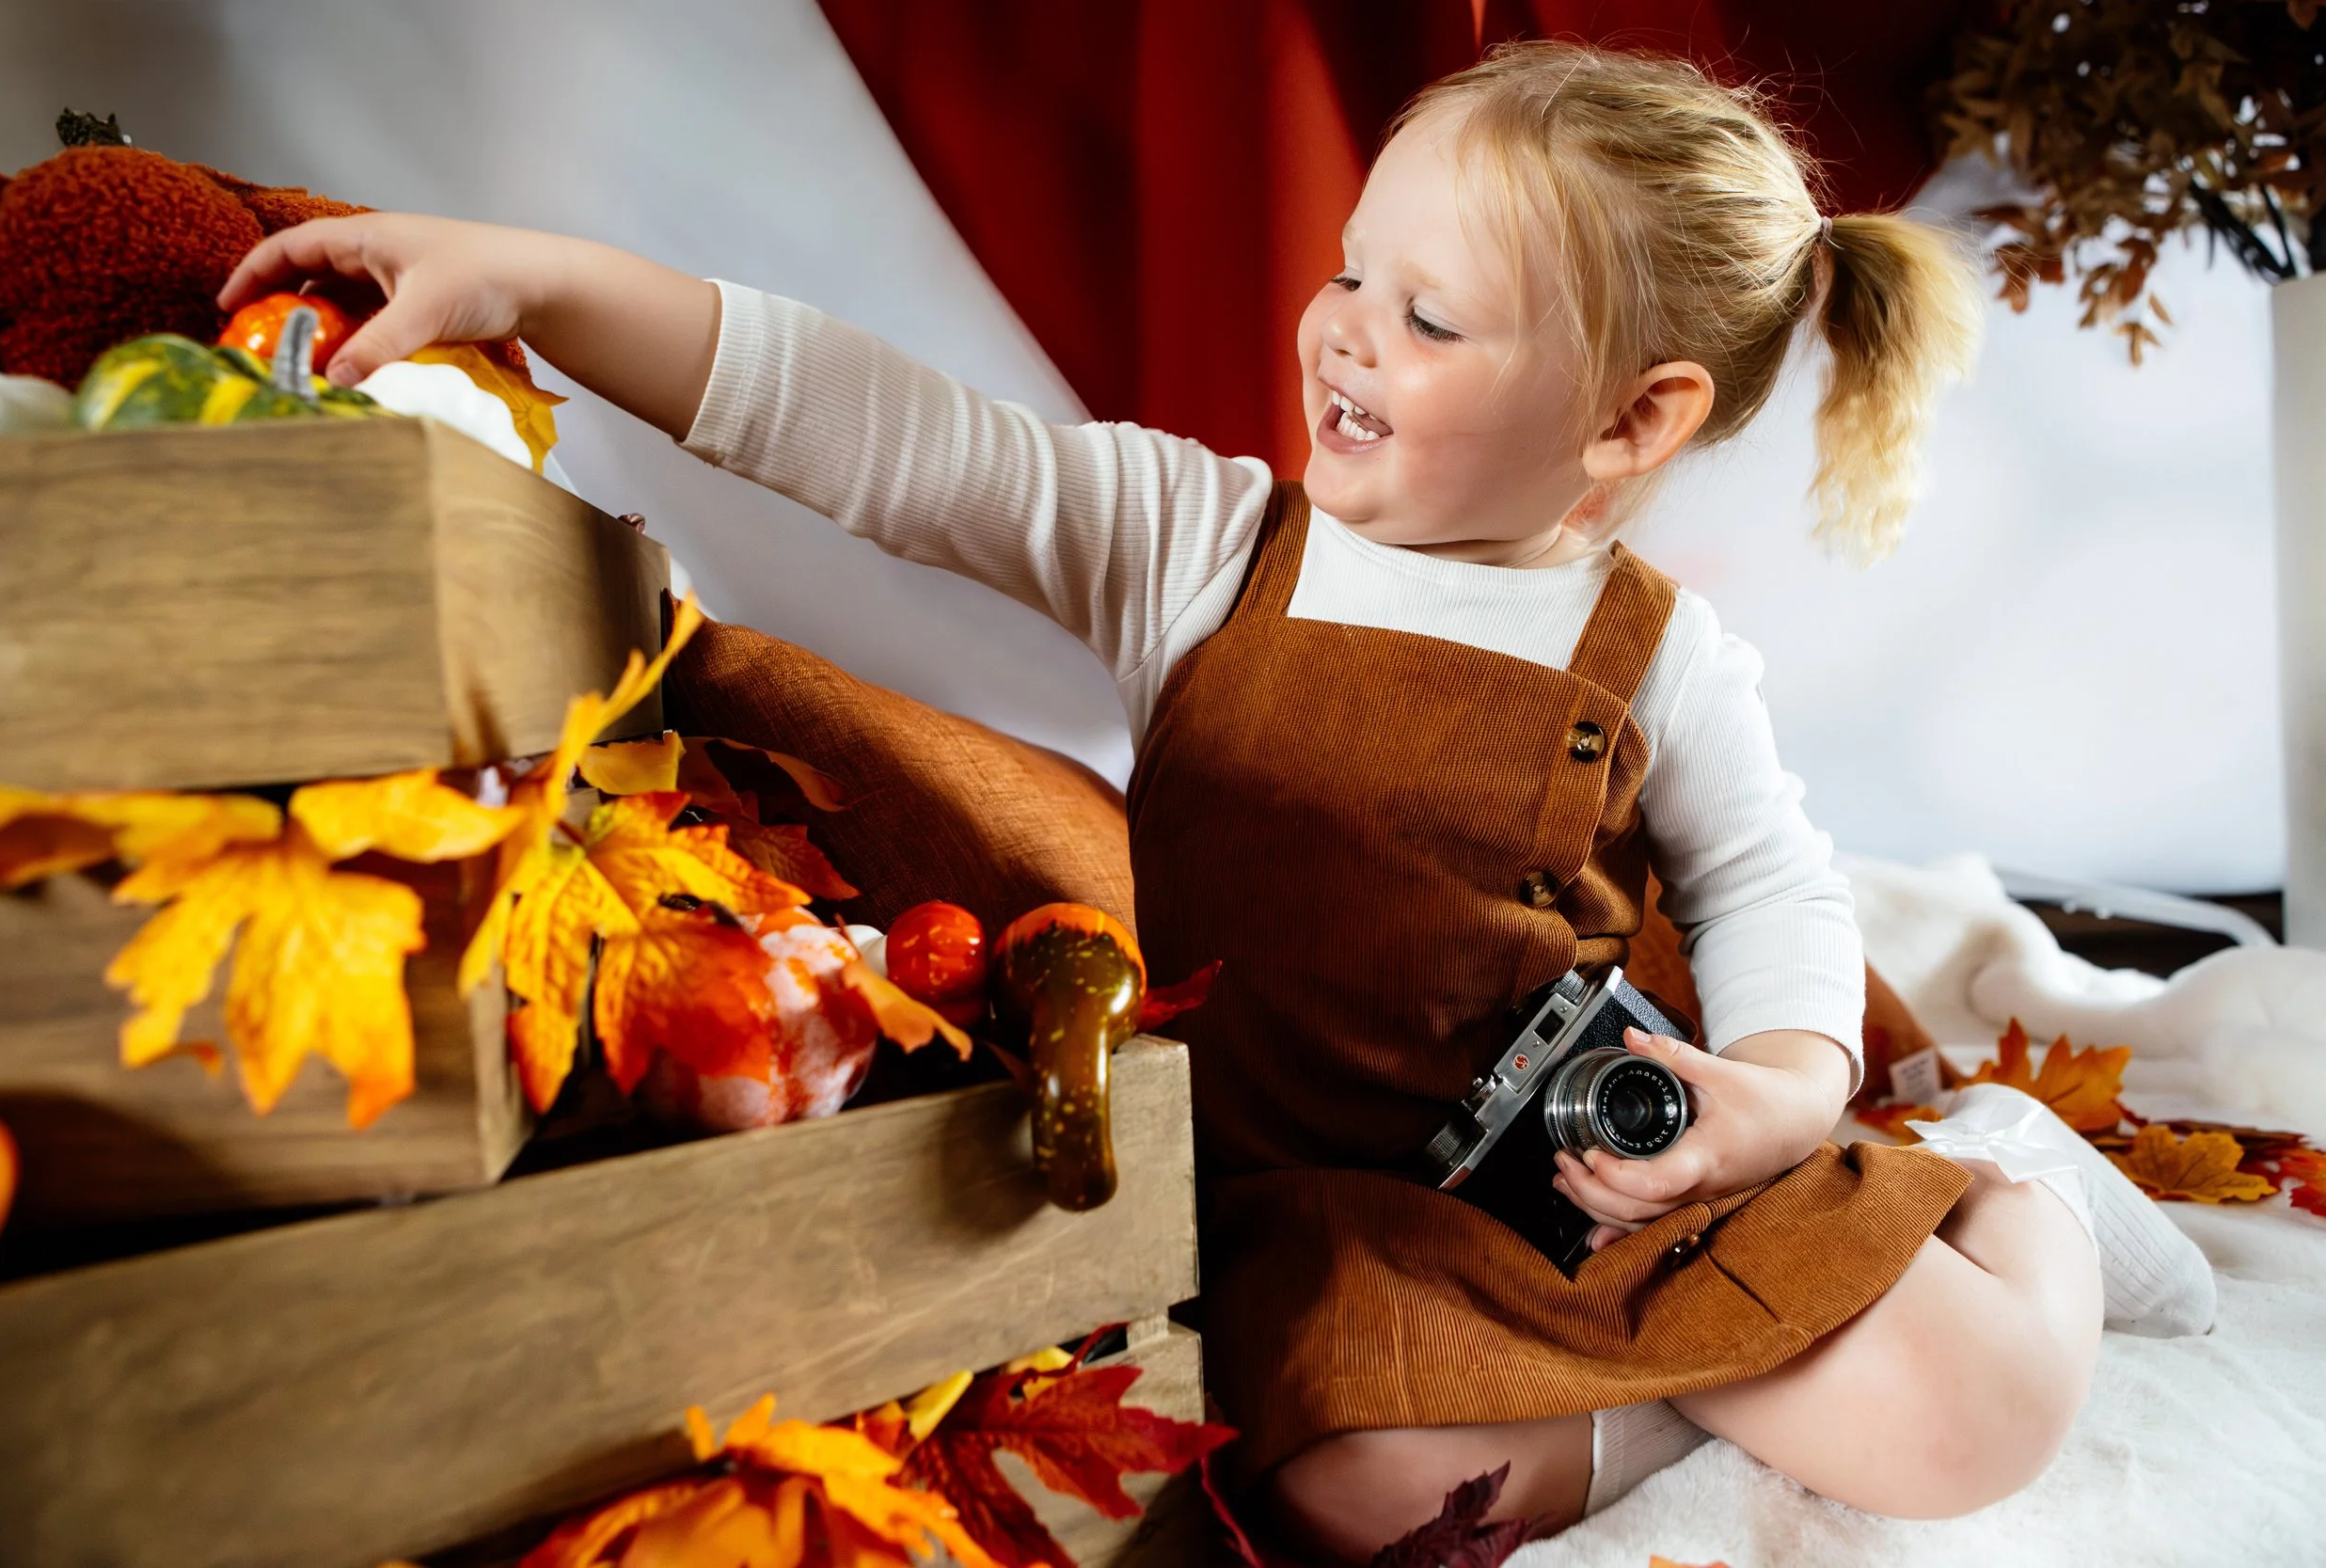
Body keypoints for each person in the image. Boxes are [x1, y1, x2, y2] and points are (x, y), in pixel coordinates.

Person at [220, 40, 2217, 1562]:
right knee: (1342, 1488)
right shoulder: (1190, 542)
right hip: (1365, 1223)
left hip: (1629, 1177)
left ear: (1629, 420)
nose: (1344, 331)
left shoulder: (1651, 649)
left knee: (1977, 1422)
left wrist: (1777, 1089)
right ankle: (1714, 1408)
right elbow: (874, 428)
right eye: (1354, 272)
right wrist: (540, 279)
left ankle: (1999, 1172)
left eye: (1428, 320)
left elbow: (1766, 873)